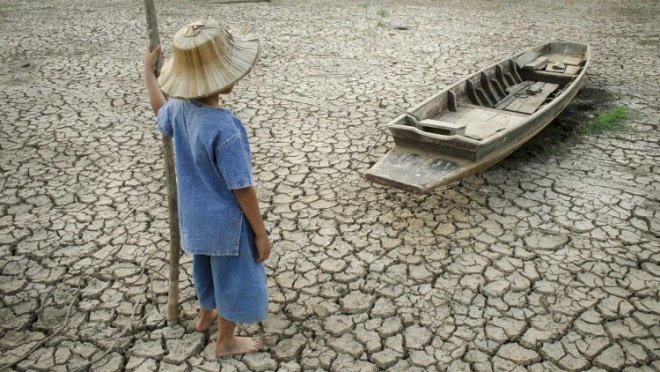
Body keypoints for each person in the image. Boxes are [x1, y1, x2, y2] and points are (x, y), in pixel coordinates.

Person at [143, 18, 270, 357]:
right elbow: (242, 187)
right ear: (225, 78)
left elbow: (160, 111)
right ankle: (225, 341)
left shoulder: (181, 110)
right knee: (231, 278)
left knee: (205, 269)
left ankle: (204, 315)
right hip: (227, 225)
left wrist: (149, 76)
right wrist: (260, 231)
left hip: (194, 219)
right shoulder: (226, 128)